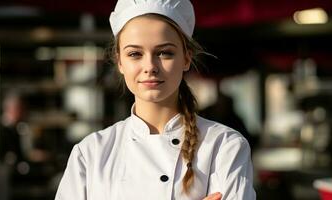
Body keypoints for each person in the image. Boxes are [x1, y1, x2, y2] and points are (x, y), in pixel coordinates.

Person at [55, 0, 256, 199]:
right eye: (135, 54)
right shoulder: (90, 153)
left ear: (186, 58)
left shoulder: (224, 146)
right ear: (120, 62)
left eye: (164, 53)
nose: (150, 66)